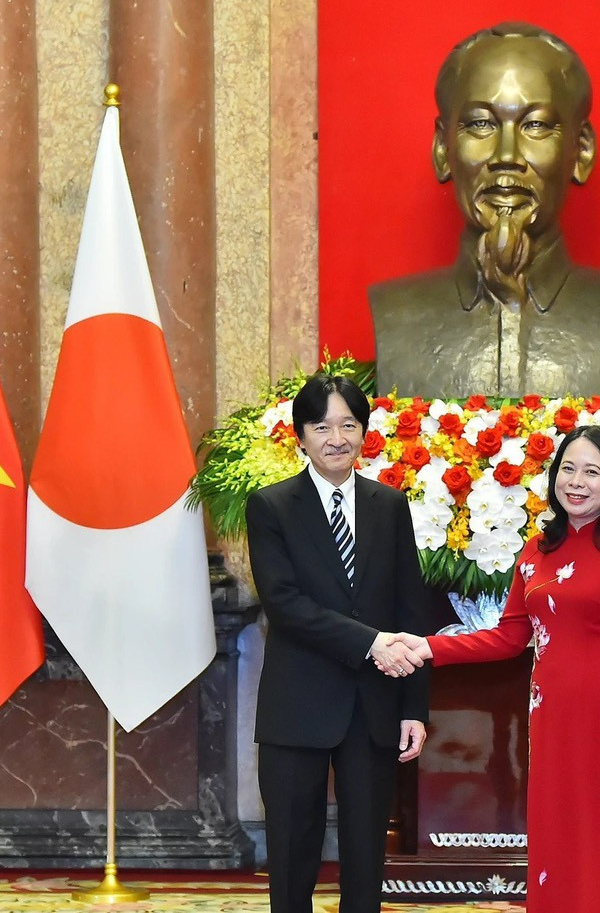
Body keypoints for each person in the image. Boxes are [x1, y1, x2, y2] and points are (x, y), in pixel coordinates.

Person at [382, 424, 600, 912]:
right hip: (551, 718)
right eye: (568, 469)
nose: (576, 482)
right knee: (559, 832)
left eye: (592, 472)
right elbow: (509, 637)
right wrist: (429, 647)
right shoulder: (537, 550)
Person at [369, 22, 600, 399]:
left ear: (581, 151)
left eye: (535, 125)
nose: (506, 156)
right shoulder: (396, 314)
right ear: (442, 149)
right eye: (480, 124)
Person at [245, 373, 431, 913]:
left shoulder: (388, 505)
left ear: (364, 432)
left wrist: (414, 707)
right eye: (321, 427)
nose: (336, 438)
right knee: (291, 850)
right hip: (297, 703)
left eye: (348, 425)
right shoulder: (272, 506)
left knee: (367, 852)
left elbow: (410, 609)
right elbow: (284, 604)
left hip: (373, 705)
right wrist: (371, 643)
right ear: (300, 436)